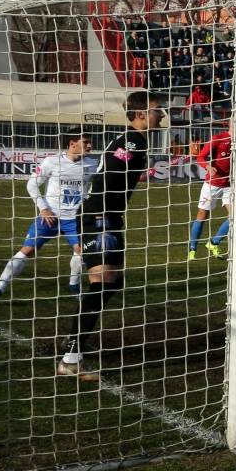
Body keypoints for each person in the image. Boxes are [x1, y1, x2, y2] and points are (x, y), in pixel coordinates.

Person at [63, 92, 161, 381]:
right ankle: (71, 355)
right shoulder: (133, 141)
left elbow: (114, 171)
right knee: (103, 283)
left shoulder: (131, 141)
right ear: (141, 114)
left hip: (106, 217)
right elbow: (108, 176)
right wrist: (97, 217)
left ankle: (76, 346)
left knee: (112, 282)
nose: (163, 115)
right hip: (100, 217)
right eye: (158, 110)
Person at [0, 130, 92, 301]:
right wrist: (43, 208)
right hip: (50, 216)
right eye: (86, 142)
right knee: (27, 250)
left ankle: (74, 285)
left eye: (90, 142)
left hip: (75, 219)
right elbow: (32, 185)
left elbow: (95, 188)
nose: (90, 145)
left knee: (81, 250)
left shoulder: (92, 164)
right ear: (72, 143)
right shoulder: (52, 162)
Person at [187, 123, 233, 260]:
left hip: (230, 185)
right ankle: (192, 249)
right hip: (212, 184)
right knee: (202, 215)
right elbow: (200, 157)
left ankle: (214, 243)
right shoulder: (218, 138)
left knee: (235, 217)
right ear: (233, 124)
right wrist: (208, 167)